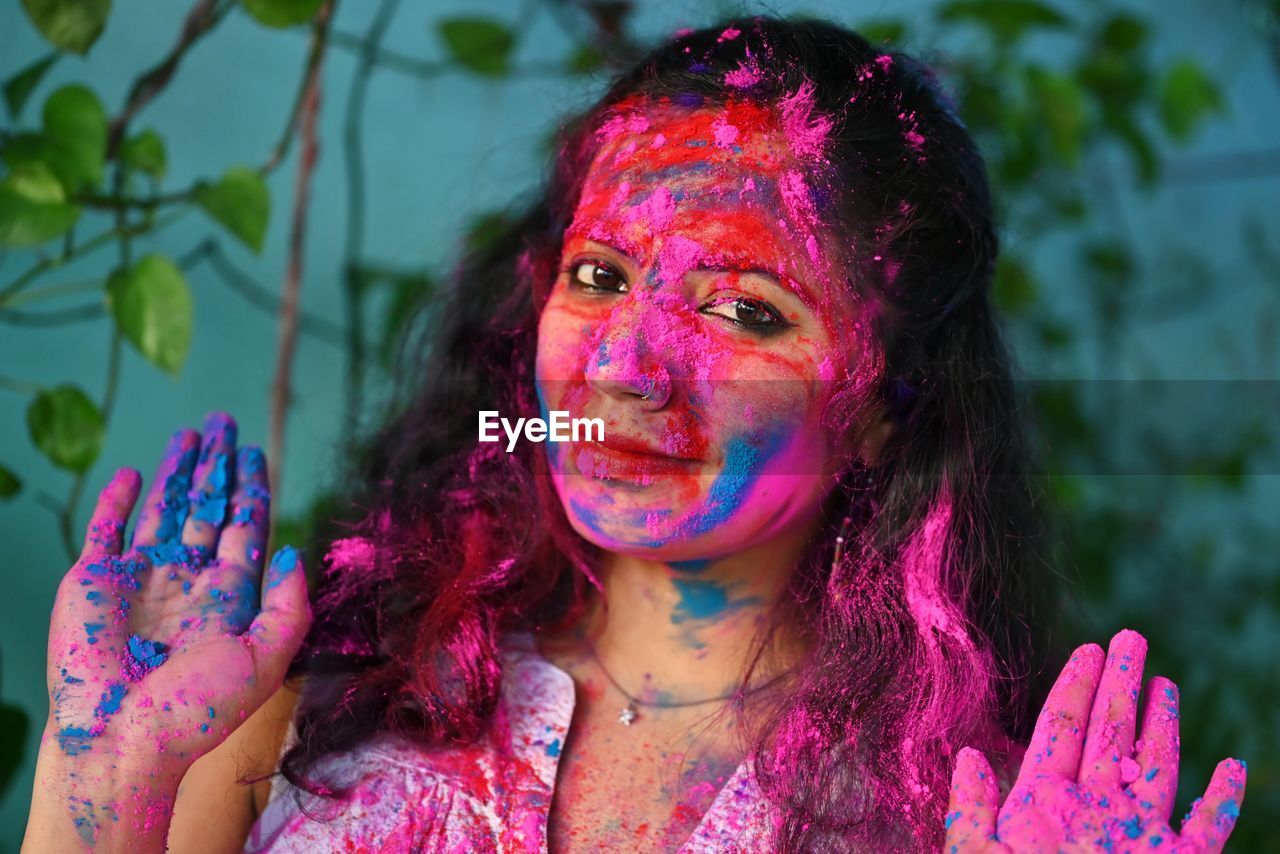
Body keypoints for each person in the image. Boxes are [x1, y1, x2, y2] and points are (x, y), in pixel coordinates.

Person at [22, 15, 1246, 853]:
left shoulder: (964, 811)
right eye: (600, 276)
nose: (622, 364)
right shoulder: (304, 702)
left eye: (742, 309)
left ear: (880, 404)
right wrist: (104, 780)